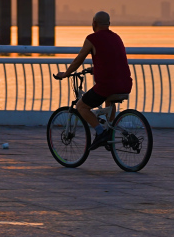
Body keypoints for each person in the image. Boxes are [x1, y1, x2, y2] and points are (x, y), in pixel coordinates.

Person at [56, 11, 132, 150]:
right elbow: (112, 61)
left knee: (81, 106)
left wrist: (66, 73)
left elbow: (78, 60)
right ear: (109, 24)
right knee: (109, 102)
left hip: (106, 86)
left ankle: (101, 133)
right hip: (125, 84)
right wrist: (95, 69)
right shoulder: (117, 38)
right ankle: (110, 132)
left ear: (94, 23)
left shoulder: (92, 39)